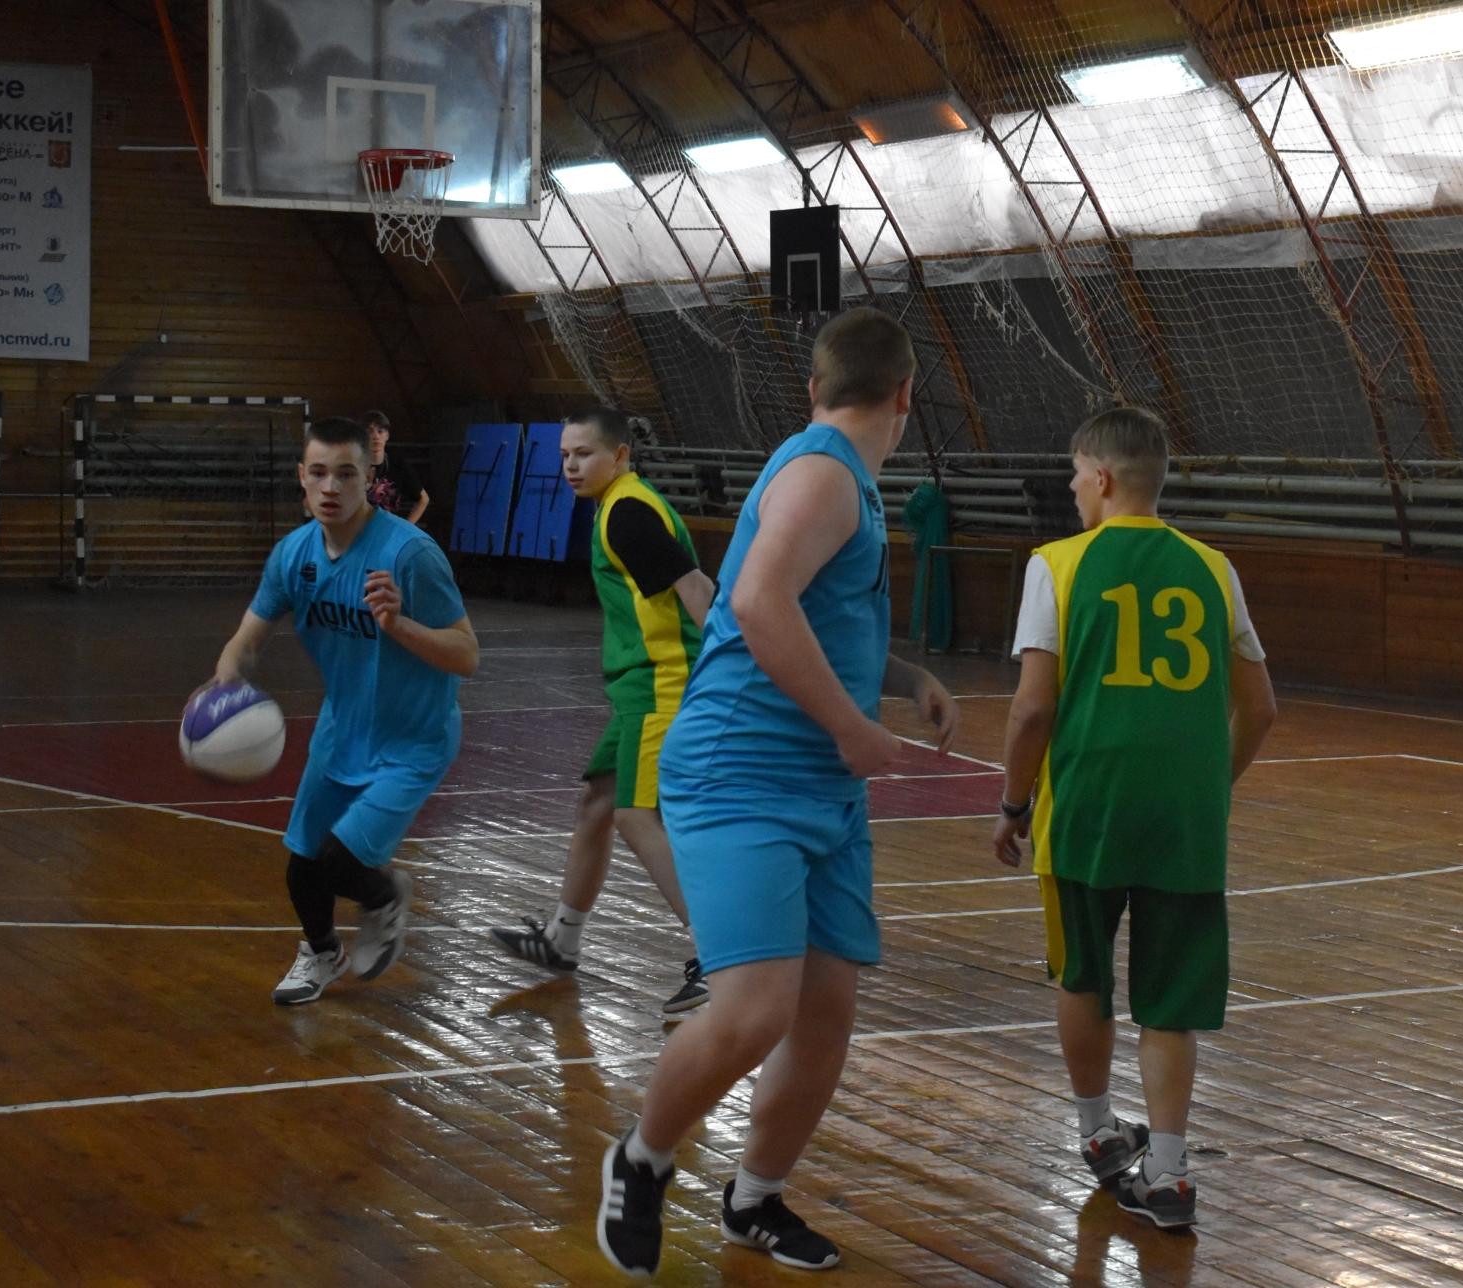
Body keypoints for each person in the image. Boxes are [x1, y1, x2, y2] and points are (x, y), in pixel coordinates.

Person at [596, 308, 960, 1276]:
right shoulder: (822, 474)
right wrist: (850, 727)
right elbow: (756, 603)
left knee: (825, 1013)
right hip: (741, 771)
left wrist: (902, 679)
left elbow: (807, 611)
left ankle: (753, 1197)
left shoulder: (840, 480)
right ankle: (641, 1158)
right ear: (907, 395)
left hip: (816, 785)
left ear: (814, 387)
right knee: (755, 1007)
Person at [991, 407, 1277, 1230]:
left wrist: (1014, 803)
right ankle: (1170, 1173)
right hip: (1185, 816)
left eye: (1075, 473)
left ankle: (1097, 1134)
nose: (1071, 486)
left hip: (1088, 806)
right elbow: (1260, 708)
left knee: (1081, 974)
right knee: (1171, 998)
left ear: (1104, 477)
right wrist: (1209, 785)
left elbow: (1031, 710)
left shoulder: (1057, 565)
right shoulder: (1214, 569)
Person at [206, 416, 478, 1006]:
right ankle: (322, 954)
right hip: (341, 731)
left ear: (370, 479)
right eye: (320, 473)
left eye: (347, 474)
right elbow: (247, 639)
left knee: (340, 863)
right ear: (301, 478)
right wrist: (226, 678)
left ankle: (384, 895)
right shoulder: (293, 555)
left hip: (413, 740)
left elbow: (467, 655)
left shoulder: (410, 555)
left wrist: (399, 625)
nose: (331, 487)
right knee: (302, 865)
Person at [489, 406, 716, 1015]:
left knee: (636, 816)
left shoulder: (627, 513)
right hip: (641, 686)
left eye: (584, 454)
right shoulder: (619, 505)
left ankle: (721, 954)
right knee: (597, 803)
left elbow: (698, 589)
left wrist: (737, 668)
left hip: (663, 683)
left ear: (619, 455)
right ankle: (562, 940)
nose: (570, 465)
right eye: (564, 455)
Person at [362, 409, 429, 525]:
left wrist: (406, 527)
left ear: (387, 435)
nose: (375, 436)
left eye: (380, 431)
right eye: (370, 431)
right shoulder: (354, 464)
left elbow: (423, 499)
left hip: (388, 530)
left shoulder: (397, 464)